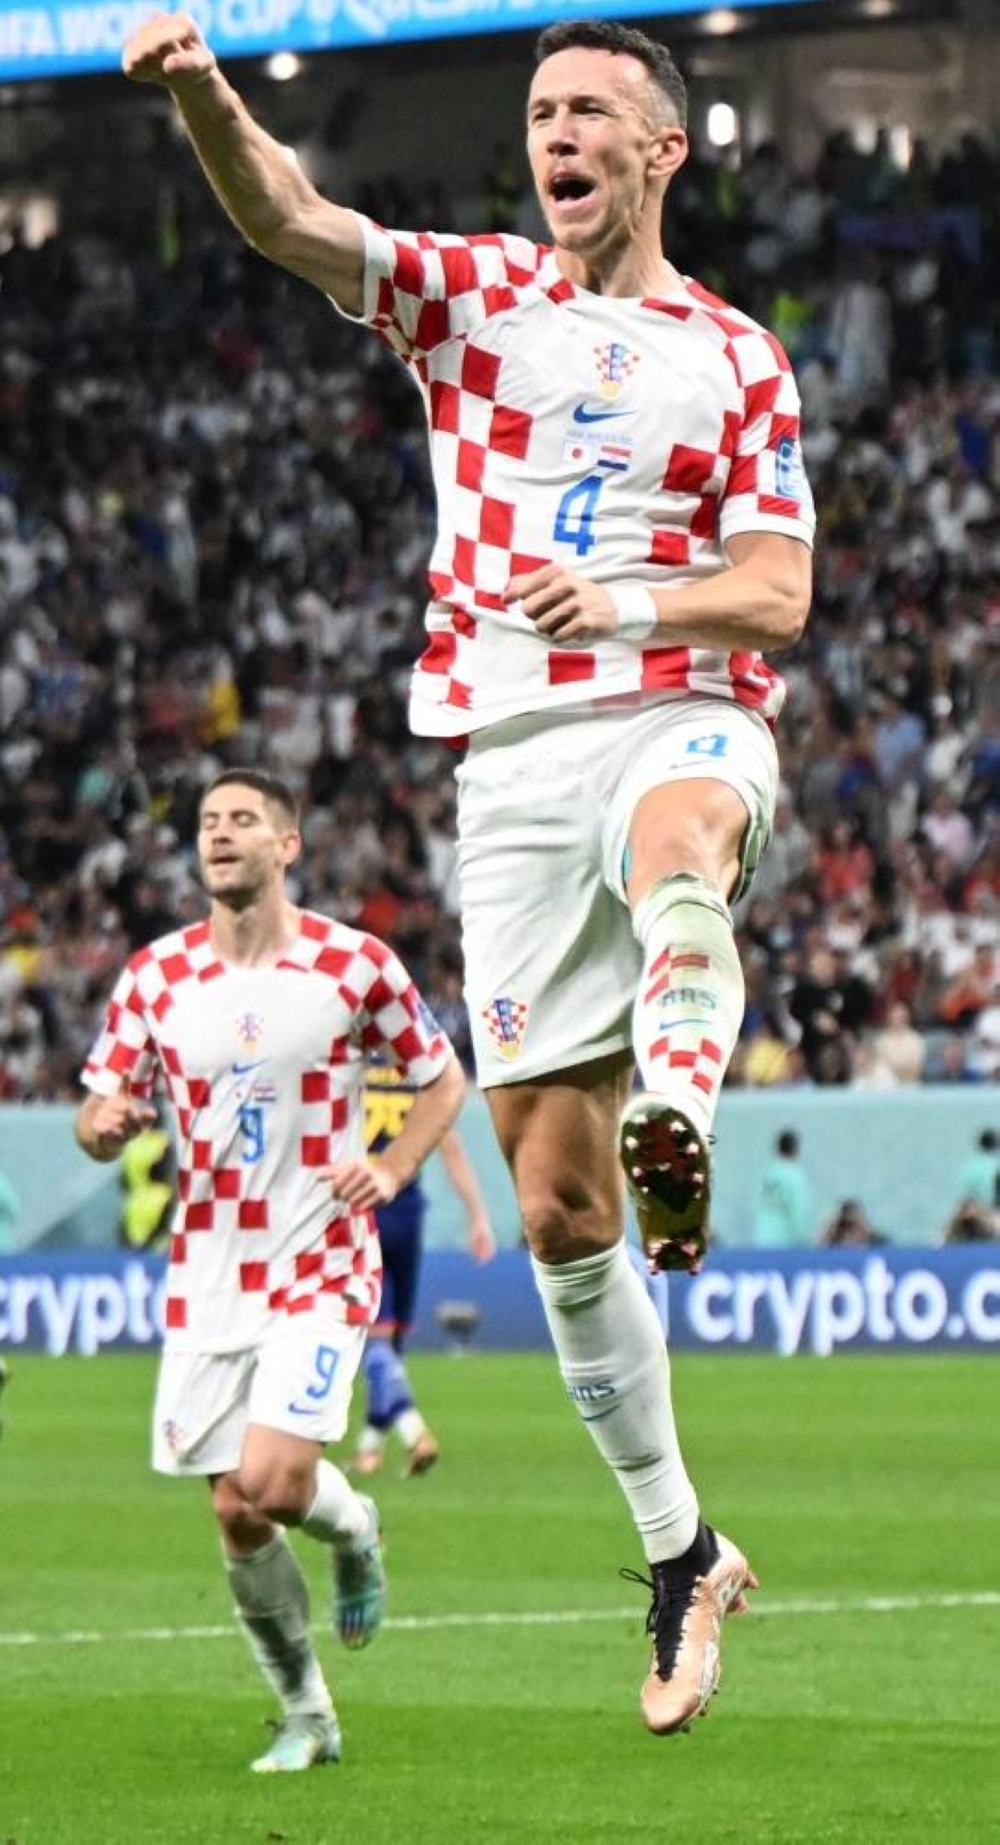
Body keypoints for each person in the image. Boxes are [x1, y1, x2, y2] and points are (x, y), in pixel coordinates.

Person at [122, 15, 814, 1736]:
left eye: (591, 111)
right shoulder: (475, 295)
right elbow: (288, 221)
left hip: (678, 706)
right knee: (566, 1215)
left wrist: (645, 605)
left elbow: (781, 595)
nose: (557, 133)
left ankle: (687, 1109)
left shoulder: (736, 357)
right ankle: (680, 1552)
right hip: (506, 766)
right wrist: (206, 93)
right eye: (539, 113)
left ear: (664, 148)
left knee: (685, 848)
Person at [75, 770, 465, 1772]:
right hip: (206, 1272)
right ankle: (308, 1716)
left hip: (318, 1256)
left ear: (286, 845)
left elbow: (441, 1077)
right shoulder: (156, 978)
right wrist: (105, 1123)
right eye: (208, 822)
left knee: (278, 1478)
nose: (220, 834)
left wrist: (393, 1163)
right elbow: (96, 1112)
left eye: (243, 820)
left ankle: (355, 1526)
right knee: (233, 1507)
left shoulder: (353, 965)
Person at [351, 1062, 495, 1477]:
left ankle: (415, 1433)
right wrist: (478, 1215)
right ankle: (369, 1450)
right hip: (408, 1213)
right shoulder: (417, 1074)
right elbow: (450, 1148)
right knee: (390, 1340)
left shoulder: (353, 1071)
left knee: (375, 1339)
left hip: (364, 1212)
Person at [752, 1129, 814, 1248]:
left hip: (763, 1238)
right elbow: (799, 1209)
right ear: (795, 1149)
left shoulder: (769, 1172)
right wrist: (805, 1239)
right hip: (785, 1241)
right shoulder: (795, 1175)